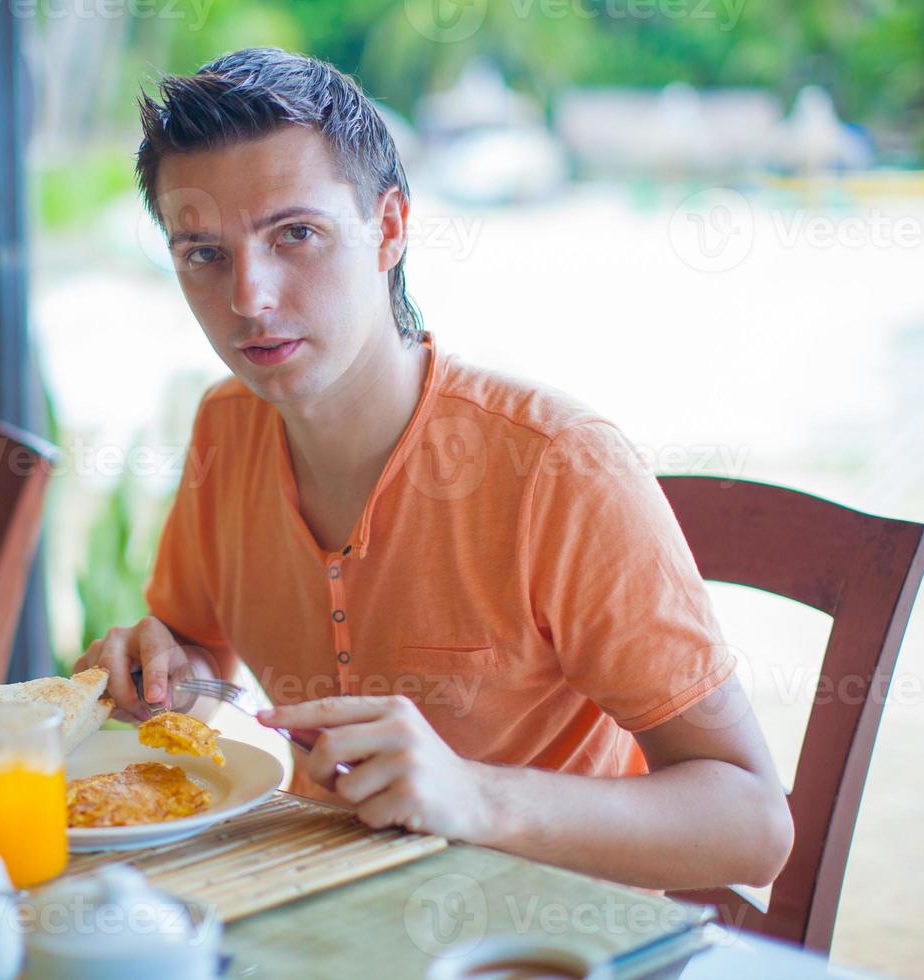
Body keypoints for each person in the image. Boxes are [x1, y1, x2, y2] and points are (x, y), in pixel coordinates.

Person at [75, 47, 792, 891]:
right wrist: (164, 671)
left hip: (540, 936)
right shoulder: (225, 425)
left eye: (295, 234)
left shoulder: (560, 465)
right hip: (312, 904)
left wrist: (476, 797)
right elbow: (198, 650)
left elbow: (753, 824)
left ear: (388, 228)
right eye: (204, 253)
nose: (250, 299)